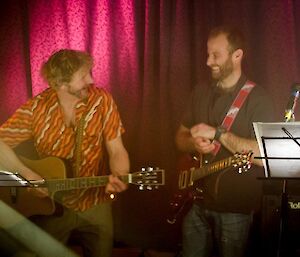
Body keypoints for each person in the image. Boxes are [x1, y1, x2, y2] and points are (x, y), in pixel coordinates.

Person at [0, 49, 130, 257]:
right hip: (52, 206)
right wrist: (25, 172)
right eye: (83, 76)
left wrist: (120, 174)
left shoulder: (102, 100)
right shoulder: (36, 108)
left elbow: (117, 149)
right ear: (61, 84)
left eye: (90, 72)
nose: (91, 80)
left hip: (96, 203)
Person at [175, 25, 275, 257]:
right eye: (207, 54)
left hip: (235, 211)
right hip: (195, 202)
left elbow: (265, 155)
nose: (208, 61)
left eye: (216, 55)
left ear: (237, 55)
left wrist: (218, 134)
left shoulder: (259, 99)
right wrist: (193, 144)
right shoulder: (200, 91)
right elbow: (179, 138)